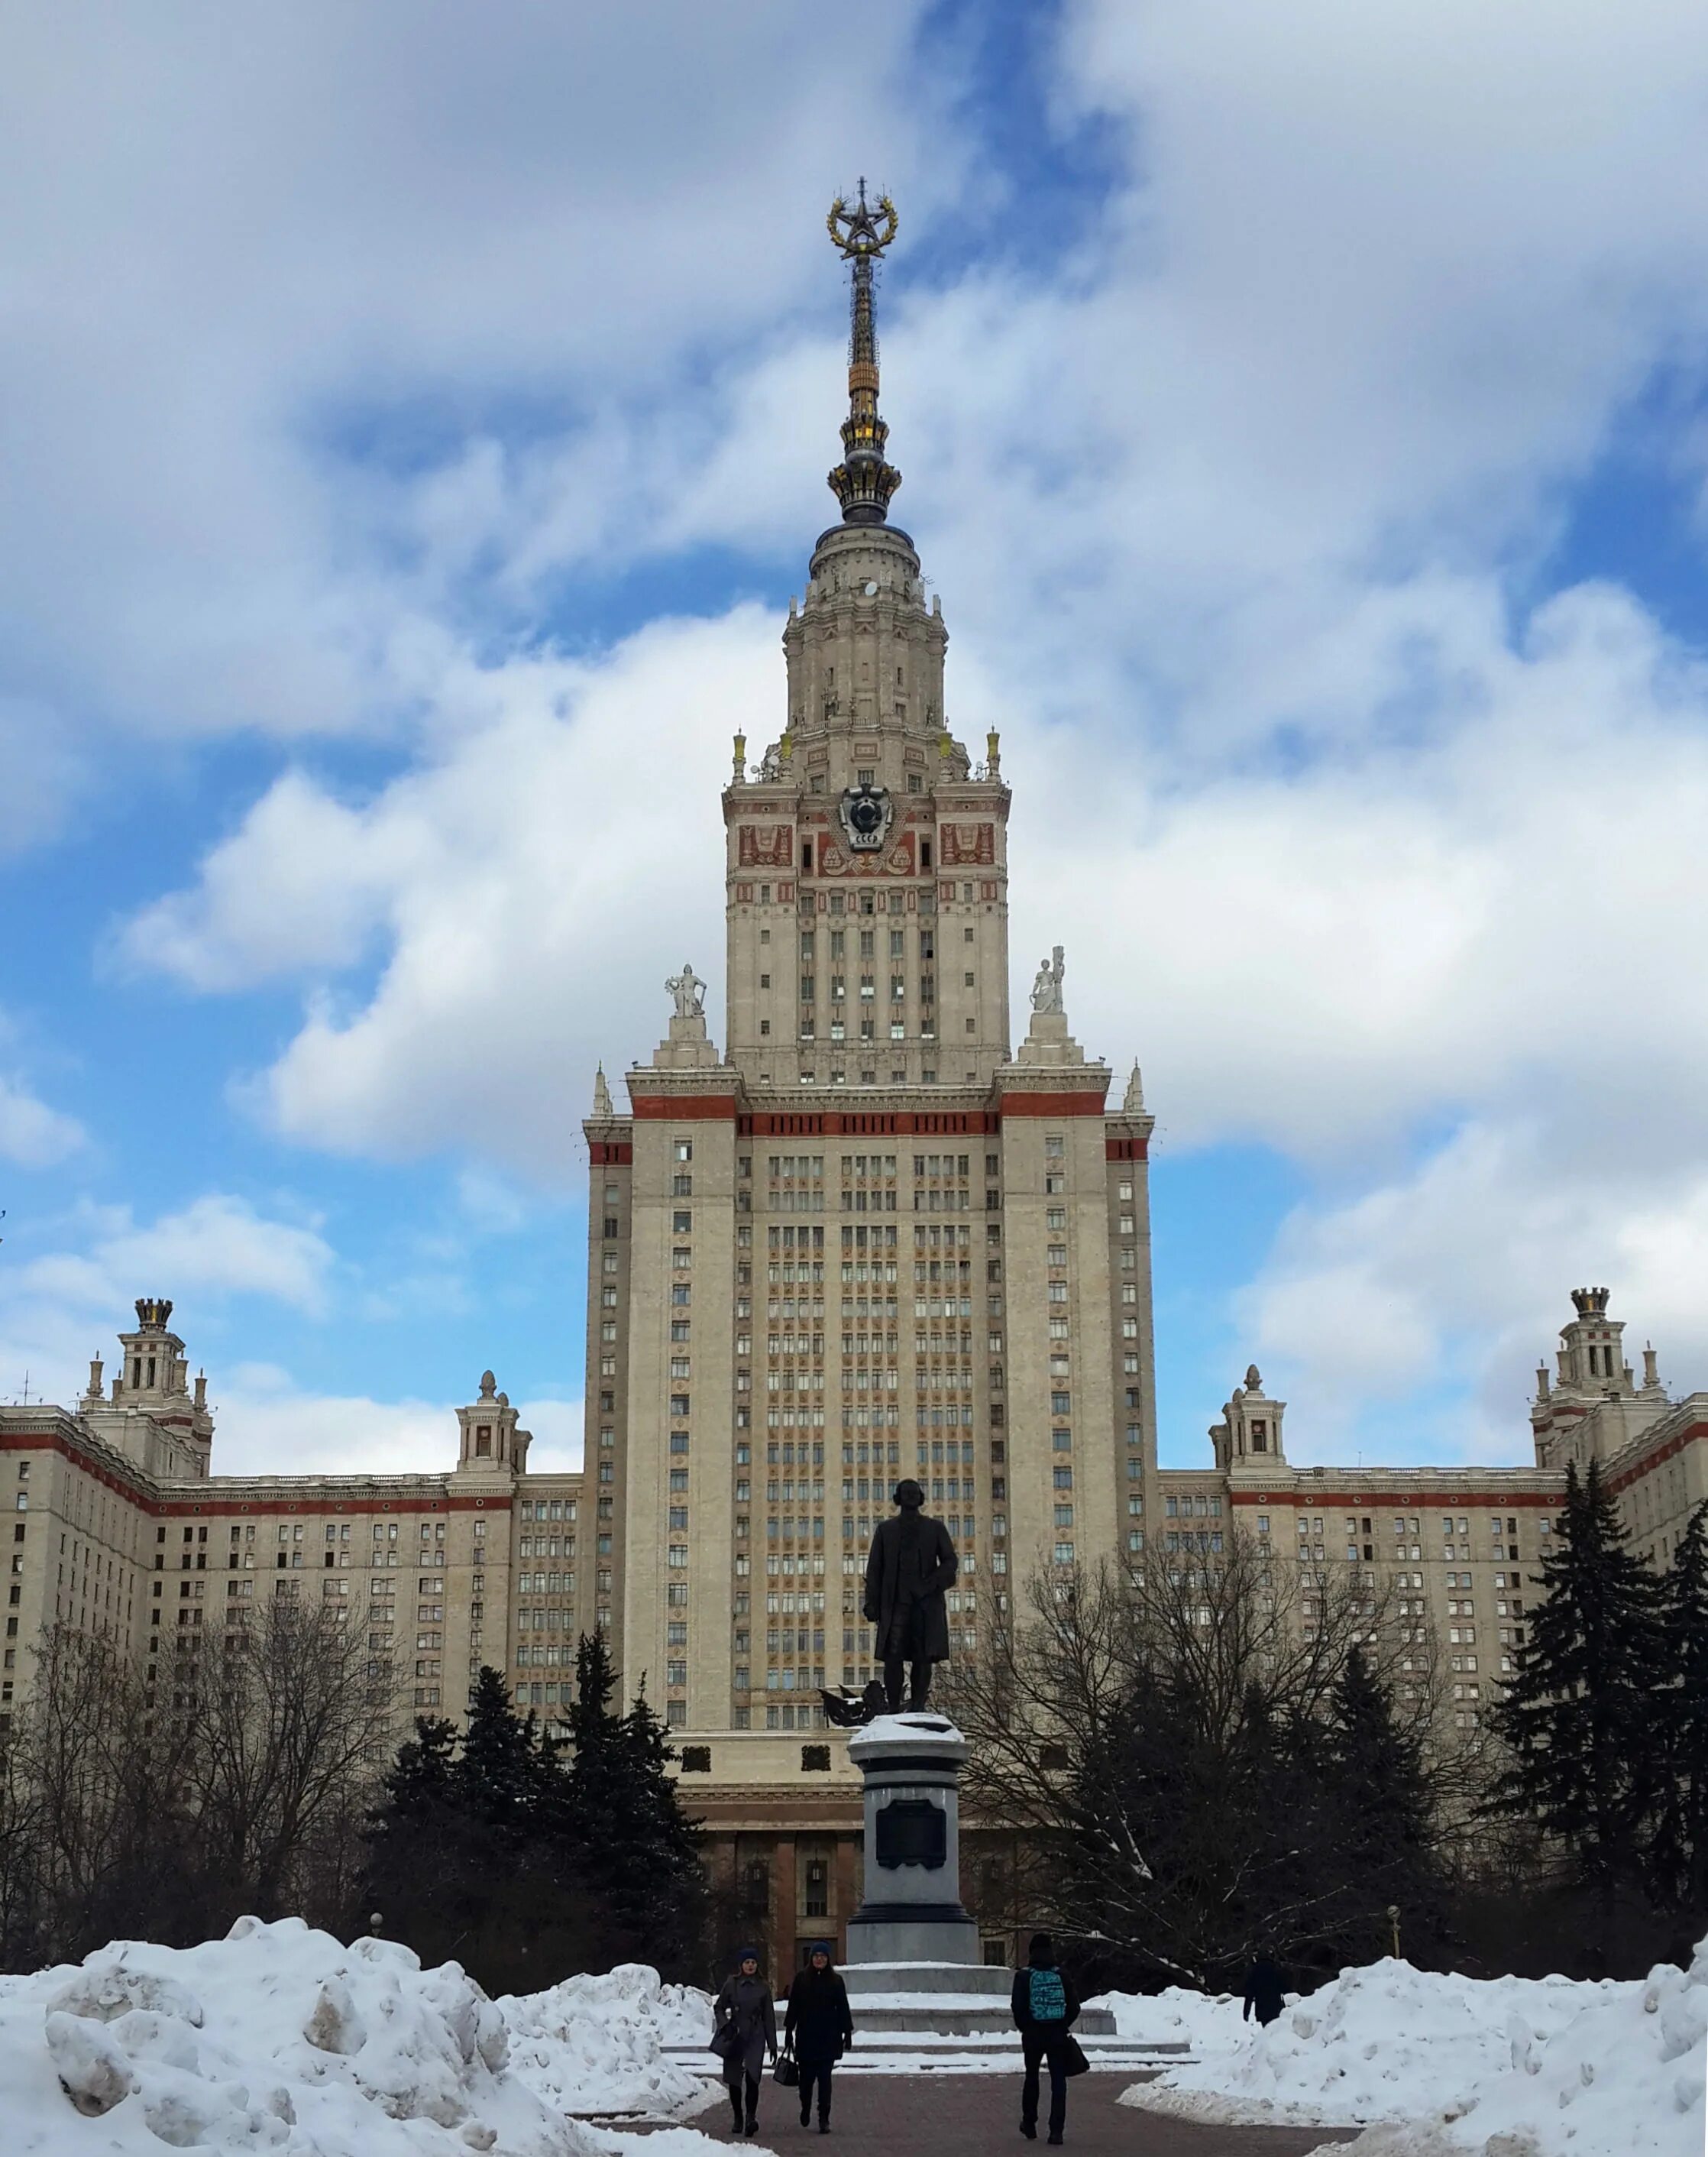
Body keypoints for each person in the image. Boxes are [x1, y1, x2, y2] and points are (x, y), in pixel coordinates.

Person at [863, 1479, 958, 1712]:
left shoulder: (935, 1528)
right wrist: (871, 1602)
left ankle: (917, 1705)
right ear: (898, 1498)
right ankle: (894, 1707)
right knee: (893, 1656)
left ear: (920, 1497)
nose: (910, 1496)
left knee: (923, 1656)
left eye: (914, 1492)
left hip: (926, 1605)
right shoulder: (886, 1530)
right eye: (905, 1493)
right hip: (895, 1604)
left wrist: (929, 1585)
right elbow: (875, 1568)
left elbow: (950, 1562)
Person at [1011, 1931, 1080, 2145]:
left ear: (1032, 1952)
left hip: (1033, 2035)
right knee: (1058, 2081)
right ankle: (1056, 2131)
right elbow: (1074, 2007)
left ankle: (1029, 2123)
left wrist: (1027, 2027)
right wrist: (1061, 2024)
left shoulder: (1023, 1976)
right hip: (1057, 2034)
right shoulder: (1062, 1974)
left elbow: (1018, 2008)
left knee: (1031, 2077)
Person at [784, 1940, 854, 2133]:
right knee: (806, 2082)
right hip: (806, 2037)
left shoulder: (836, 1981)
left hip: (829, 2038)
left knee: (825, 2081)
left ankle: (824, 2118)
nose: (819, 1959)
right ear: (811, 1958)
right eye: (816, 1956)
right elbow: (794, 2007)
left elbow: (843, 2007)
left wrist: (847, 2032)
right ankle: (805, 2107)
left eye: (823, 1957)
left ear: (828, 1959)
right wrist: (789, 2031)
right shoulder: (801, 1979)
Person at [712, 1947, 777, 2138]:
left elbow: (769, 2016)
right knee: (734, 2078)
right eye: (747, 1962)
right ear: (741, 1965)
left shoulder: (763, 1986)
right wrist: (725, 2025)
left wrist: (772, 2044)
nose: (750, 1966)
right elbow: (719, 2007)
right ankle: (738, 2117)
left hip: (756, 2036)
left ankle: (751, 2117)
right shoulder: (732, 1984)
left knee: (753, 2076)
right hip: (736, 2033)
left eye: (753, 1963)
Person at [1243, 1949, 1286, 2028]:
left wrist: (1246, 2012)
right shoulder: (1275, 1969)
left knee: (1266, 2031)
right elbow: (1284, 1987)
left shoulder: (1255, 1971)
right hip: (1276, 2007)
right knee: (1276, 2031)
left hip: (1262, 2009)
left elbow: (1249, 1994)